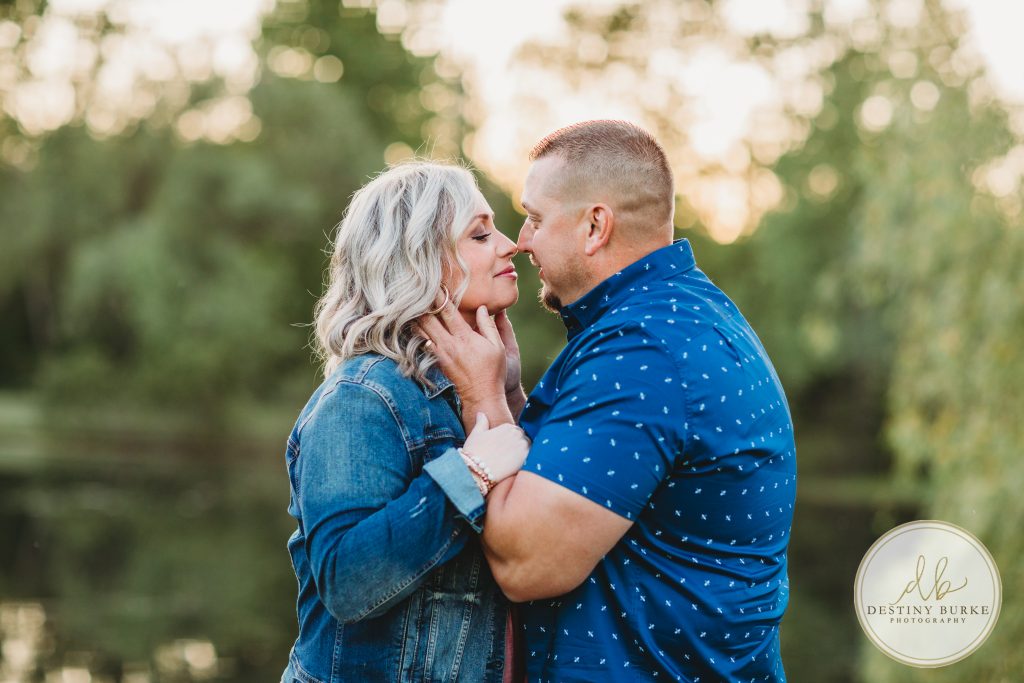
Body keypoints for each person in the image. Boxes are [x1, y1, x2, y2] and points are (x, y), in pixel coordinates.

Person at [422, 121, 797, 682]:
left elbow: (527, 563)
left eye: (536, 218)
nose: (522, 240)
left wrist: (480, 395)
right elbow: (571, 479)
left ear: (595, 226)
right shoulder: (677, 317)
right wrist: (509, 393)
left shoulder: (644, 353)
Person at [281, 160, 532, 683]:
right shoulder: (364, 397)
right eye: (481, 234)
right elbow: (348, 582)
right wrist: (471, 475)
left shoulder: (468, 390)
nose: (510, 244)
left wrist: (505, 390)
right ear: (421, 260)